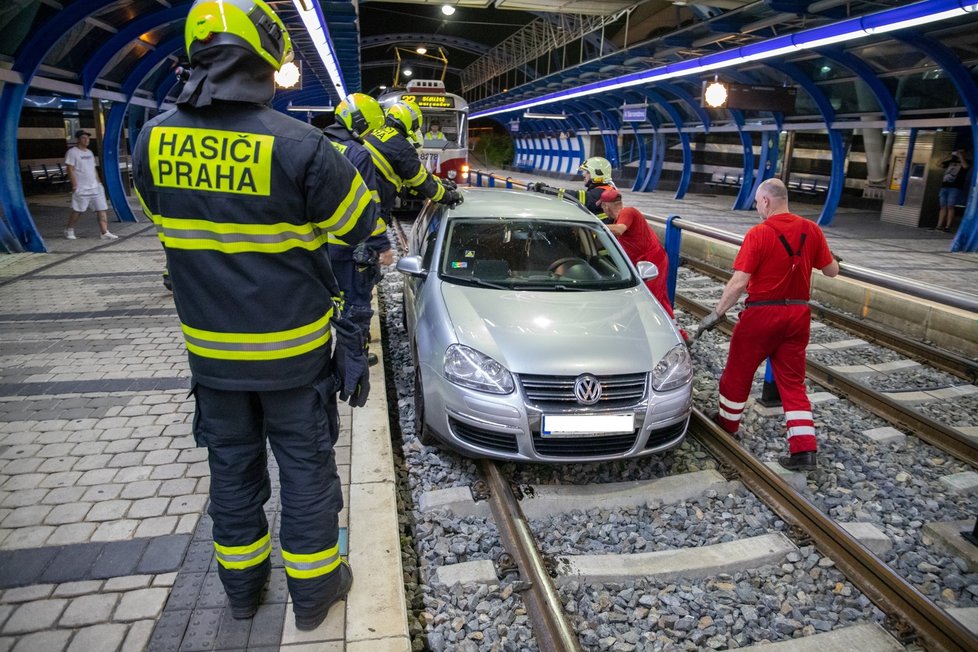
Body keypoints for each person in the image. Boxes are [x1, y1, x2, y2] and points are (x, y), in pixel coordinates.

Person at [132, 0, 376, 632]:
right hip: (292, 358)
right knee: (305, 471)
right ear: (267, 56)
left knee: (231, 472)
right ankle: (315, 593)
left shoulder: (151, 140)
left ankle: (242, 591)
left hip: (211, 358)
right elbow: (358, 226)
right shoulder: (302, 146)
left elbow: (168, 228)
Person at [696, 178, 839, 472]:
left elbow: (739, 282)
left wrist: (717, 313)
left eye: (757, 203)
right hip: (798, 316)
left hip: (761, 315)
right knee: (792, 382)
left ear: (766, 201)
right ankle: (804, 451)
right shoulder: (812, 230)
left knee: (738, 371)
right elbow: (832, 270)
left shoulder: (759, 233)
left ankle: (728, 424)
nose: (757, 209)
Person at [324, 93, 389, 366]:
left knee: (326, 299)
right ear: (359, 122)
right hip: (349, 244)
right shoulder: (358, 153)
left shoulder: (319, 144)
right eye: (368, 128)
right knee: (356, 303)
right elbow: (369, 204)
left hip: (318, 244)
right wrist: (382, 243)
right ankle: (353, 360)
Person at [598, 188, 688, 341]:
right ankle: (680, 335)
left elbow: (620, 230)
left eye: (602, 207)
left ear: (606, 206)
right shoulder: (621, 217)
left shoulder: (628, 212)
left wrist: (594, 225)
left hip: (652, 261)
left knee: (651, 300)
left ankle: (663, 337)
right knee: (660, 299)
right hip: (646, 262)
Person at [363, 98, 463, 221]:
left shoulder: (377, 134)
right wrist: (447, 196)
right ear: (409, 122)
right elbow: (421, 181)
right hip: (371, 210)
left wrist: (440, 182)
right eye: (416, 125)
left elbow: (413, 178)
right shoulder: (402, 146)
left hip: (362, 198)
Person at [526, 156, 617, 222]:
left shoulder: (602, 193)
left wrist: (546, 190)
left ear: (597, 173)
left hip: (598, 243)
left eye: (587, 172)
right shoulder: (607, 189)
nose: (583, 175)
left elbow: (576, 197)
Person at [64, 130, 118, 240]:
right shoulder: (72, 153)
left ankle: (104, 232)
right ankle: (69, 229)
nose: (86, 140)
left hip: (95, 187)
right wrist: (74, 185)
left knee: (101, 209)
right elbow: (70, 169)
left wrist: (98, 182)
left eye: (88, 138)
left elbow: (93, 168)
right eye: (84, 138)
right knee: (78, 210)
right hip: (82, 187)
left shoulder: (89, 152)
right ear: (78, 139)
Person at [935, 149, 969, 233]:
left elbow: (965, 166)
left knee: (950, 206)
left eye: (961, 152)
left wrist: (960, 156)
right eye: (958, 152)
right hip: (944, 186)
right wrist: (946, 156)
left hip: (955, 187)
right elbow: (938, 164)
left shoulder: (967, 161)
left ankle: (947, 226)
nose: (959, 153)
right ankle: (939, 226)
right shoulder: (950, 161)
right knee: (943, 206)